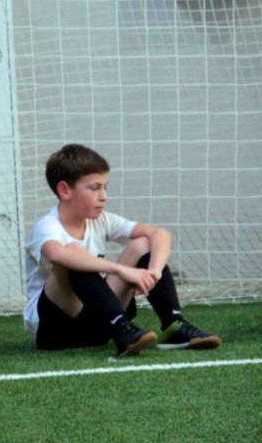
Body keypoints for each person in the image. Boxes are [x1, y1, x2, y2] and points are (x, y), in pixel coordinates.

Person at [23, 144, 221, 355]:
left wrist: (154, 271)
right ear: (65, 190)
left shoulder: (101, 220)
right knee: (72, 253)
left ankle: (173, 324)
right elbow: (56, 253)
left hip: (97, 325)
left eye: (105, 187)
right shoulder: (47, 226)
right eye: (94, 188)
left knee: (143, 243)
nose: (103, 196)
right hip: (54, 330)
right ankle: (120, 325)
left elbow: (160, 234)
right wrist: (122, 270)